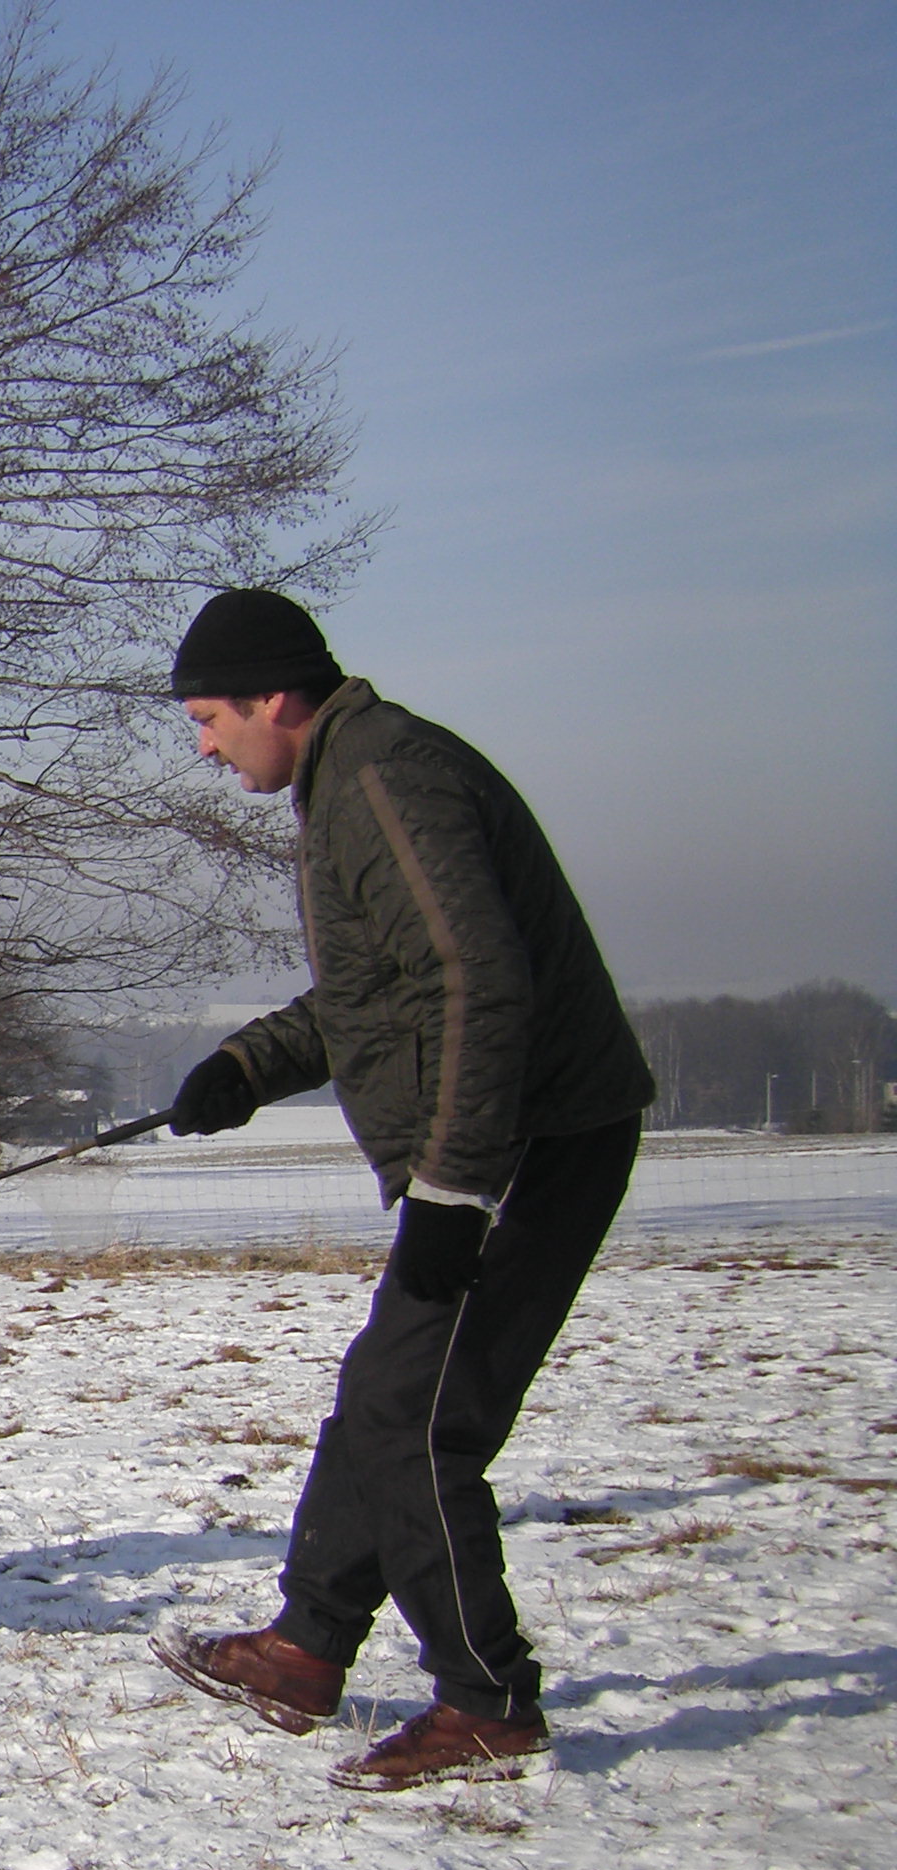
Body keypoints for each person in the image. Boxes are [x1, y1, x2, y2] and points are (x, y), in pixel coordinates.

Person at [149, 590, 655, 1790]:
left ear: (275, 696)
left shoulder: (385, 779)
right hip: (502, 1152)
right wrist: (243, 1068)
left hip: (539, 1145)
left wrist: (453, 1192)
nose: (204, 744)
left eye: (211, 716)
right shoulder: (352, 779)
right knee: (384, 1394)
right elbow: (381, 992)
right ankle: (307, 1648)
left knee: (420, 1419)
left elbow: (480, 983)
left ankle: (487, 1700)